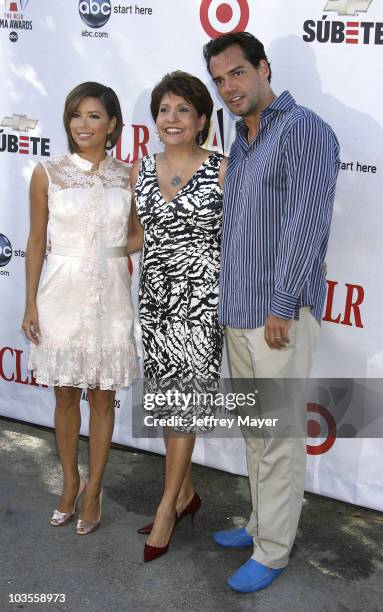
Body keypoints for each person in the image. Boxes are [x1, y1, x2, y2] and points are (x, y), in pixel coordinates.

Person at [203, 32, 340, 592]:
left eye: (236, 73)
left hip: (275, 315)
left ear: (263, 68)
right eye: (218, 79)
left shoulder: (303, 130)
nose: (228, 87)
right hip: (238, 312)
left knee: (279, 437)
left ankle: (275, 550)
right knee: (258, 432)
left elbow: (307, 223)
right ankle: (262, 523)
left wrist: (282, 305)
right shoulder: (242, 137)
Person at [22, 82, 138, 535]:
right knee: (67, 394)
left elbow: (138, 234)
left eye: (94, 116)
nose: (83, 125)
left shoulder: (128, 175)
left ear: (112, 125)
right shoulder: (47, 173)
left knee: (104, 395)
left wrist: (103, 250)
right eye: (76, 115)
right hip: (60, 293)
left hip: (110, 293)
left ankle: (95, 490)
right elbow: (34, 241)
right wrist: (30, 301)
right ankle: (70, 483)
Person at [128, 71, 227, 562]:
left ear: (202, 119)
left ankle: (167, 507)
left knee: (183, 405)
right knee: (169, 403)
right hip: (155, 303)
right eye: (164, 110)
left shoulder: (223, 169)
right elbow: (135, 237)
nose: (172, 119)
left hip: (201, 305)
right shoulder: (140, 170)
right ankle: (186, 494)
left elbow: (245, 239)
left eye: (183, 110)